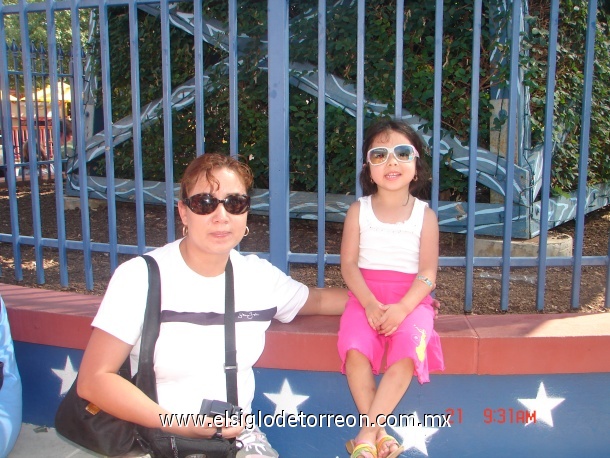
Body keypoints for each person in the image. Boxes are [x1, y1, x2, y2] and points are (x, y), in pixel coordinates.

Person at [76, 152, 347, 457]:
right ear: (183, 212)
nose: (221, 216)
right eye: (205, 203)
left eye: (234, 203)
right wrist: (180, 423)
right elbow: (94, 380)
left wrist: (400, 302)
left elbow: (321, 300)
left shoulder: (258, 278)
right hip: (152, 434)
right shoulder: (141, 277)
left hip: (235, 437)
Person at [338, 119, 445, 458]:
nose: (391, 162)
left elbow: (428, 273)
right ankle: (379, 434)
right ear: (369, 169)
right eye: (379, 155)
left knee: (407, 354)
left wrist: (403, 308)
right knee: (355, 351)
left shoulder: (425, 217)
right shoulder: (359, 211)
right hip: (364, 298)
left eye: (402, 153)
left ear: (416, 168)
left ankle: (365, 434)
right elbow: (349, 266)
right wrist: (369, 304)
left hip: (411, 303)